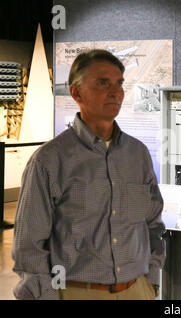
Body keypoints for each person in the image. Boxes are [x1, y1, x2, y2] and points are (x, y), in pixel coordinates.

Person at [12, 49, 165, 300]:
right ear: (76, 93)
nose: (115, 91)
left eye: (119, 83)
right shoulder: (49, 161)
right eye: (103, 83)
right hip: (76, 292)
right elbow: (29, 246)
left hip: (137, 291)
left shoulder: (138, 154)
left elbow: (153, 225)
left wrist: (151, 283)